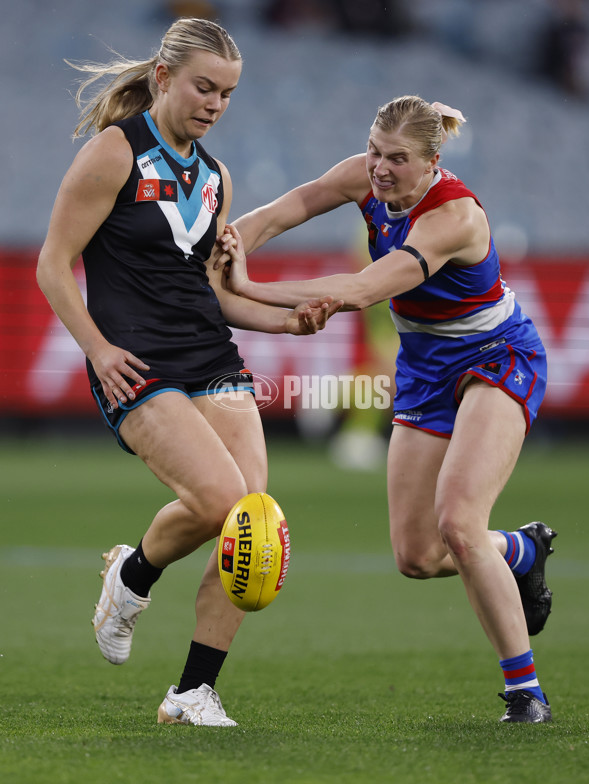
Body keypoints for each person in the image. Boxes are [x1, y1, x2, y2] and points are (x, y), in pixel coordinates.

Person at [36, 17, 341, 728]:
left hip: (210, 357)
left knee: (252, 525)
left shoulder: (215, 179)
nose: (215, 104)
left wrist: (289, 320)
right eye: (205, 87)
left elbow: (219, 296)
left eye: (228, 94)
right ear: (165, 78)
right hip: (136, 362)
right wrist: (98, 349)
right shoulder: (115, 152)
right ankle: (132, 576)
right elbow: (52, 264)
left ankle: (193, 692)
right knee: (216, 501)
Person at [216, 95, 557, 723]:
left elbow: (363, 290)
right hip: (426, 369)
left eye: (397, 159)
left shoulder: (452, 215)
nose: (379, 168)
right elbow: (289, 207)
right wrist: (228, 244)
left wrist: (246, 286)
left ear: (431, 163)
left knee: (458, 521)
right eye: (375, 150)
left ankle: (524, 692)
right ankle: (520, 552)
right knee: (418, 556)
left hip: (496, 357)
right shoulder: (363, 175)